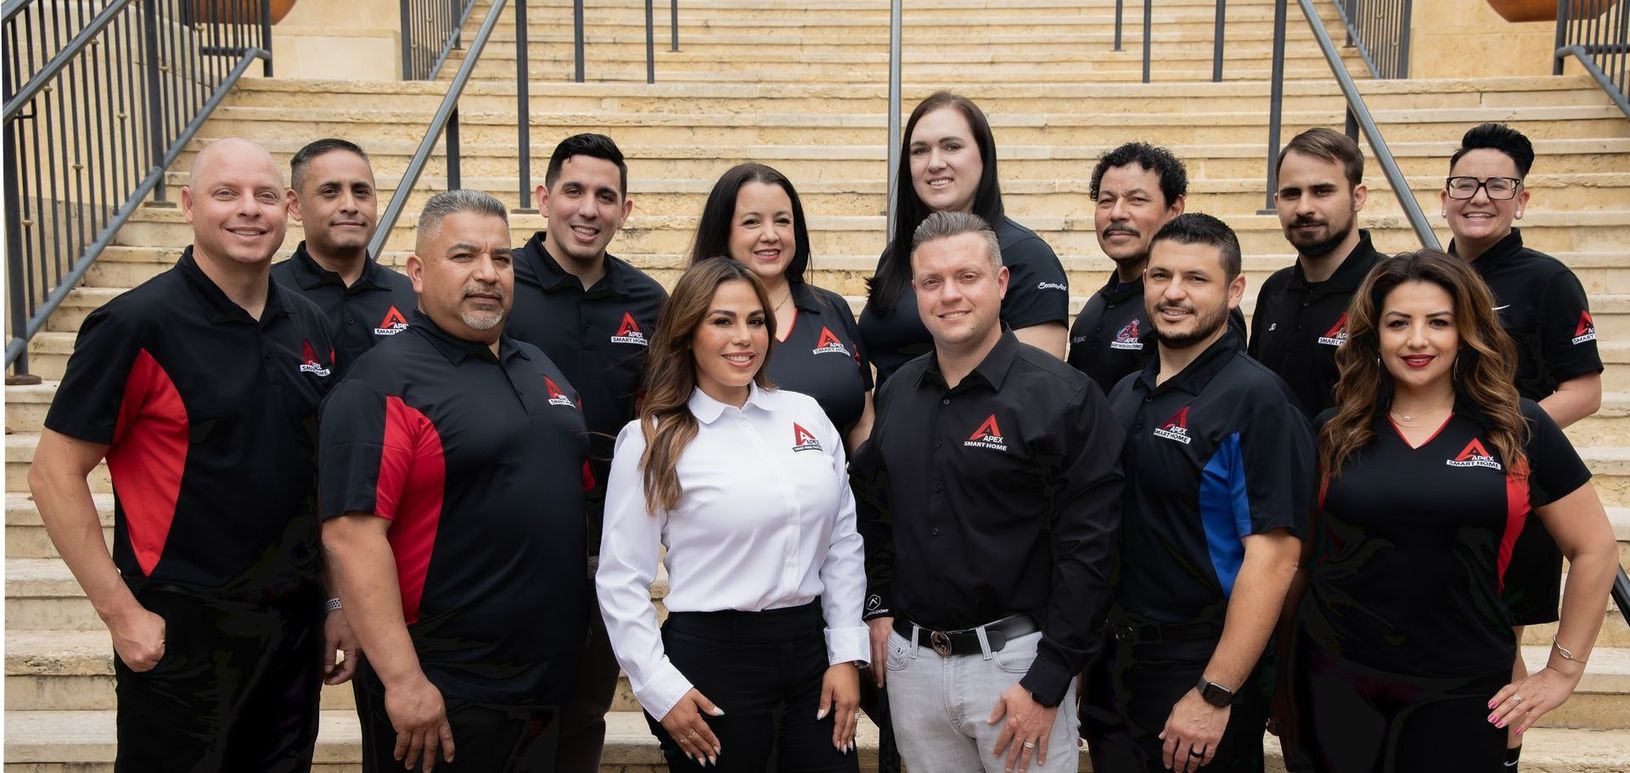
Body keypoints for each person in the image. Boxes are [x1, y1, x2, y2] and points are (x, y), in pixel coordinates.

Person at [28, 137, 344, 771]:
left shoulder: (310, 323)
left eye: (263, 195)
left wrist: (336, 603)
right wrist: (122, 616)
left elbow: (320, 481)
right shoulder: (135, 323)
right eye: (226, 194)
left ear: (289, 208)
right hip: (179, 631)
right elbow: (52, 474)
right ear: (188, 205)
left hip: (291, 629)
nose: (247, 210)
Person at [1291, 250, 1617, 772]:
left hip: (1464, 690)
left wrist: (1562, 671)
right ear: (1374, 335)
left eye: (1438, 323)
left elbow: (1594, 548)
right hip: (1334, 679)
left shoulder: (1520, 428)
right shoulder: (1333, 429)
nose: (1417, 340)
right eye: (1399, 323)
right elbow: (1299, 560)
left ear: (1467, 331)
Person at [320, 190, 591, 772]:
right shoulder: (382, 382)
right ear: (416, 272)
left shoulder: (539, 366)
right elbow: (351, 536)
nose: (487, 274)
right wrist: (403, 680)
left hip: (542, 687)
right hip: (444, 690)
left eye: (502, 258)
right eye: (464, 256)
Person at [853, 211, 1123, 773]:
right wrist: (877, 605)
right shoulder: (900, 392)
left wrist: (1049, 679)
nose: (949, 295)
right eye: (932, 282)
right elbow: (873, 512)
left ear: (1001, 284)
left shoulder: (1063, 399)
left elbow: (1090, 551)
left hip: (1016, 667)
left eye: (967, 277)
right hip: (914, 667)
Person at [597, 257, 869, 772]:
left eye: (756, 320)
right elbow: (621, 579)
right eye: (722, 321)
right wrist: (659, 688)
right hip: (712, 661)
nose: (743, 337)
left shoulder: (805, 414)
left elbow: (842, 541)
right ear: (688, 332)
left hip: (810, 654)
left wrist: (844, 653)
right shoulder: (652, 437)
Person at [1099, 213, 1312, 773]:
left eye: (1196, 279)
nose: (1174, 293)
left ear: (1234, 291)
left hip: (1198, 664)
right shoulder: (1126, 391)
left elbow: (1275, 556)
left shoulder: (1258, 400)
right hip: (1118, 660)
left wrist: (1214, 693)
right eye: (1160, 275)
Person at [503, 133, 668, 772]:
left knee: (583, 709)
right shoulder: (503, 285)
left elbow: (659, 411)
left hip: (606, 544)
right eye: (573, 191)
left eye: (606, 196)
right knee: (512, 713)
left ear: (626, 210)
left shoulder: (648, 301)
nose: (588, 209)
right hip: (512, 538)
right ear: (544, 198)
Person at [1442, 122, 1605, 769]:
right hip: (1428, 483)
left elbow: (1585, 389)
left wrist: (1501, 437)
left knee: (1493, 637)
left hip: (1509, 489)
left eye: (1496, 185)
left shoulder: (1547, 279)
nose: (1479, 196)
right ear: (1445, 192)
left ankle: (1500, 756)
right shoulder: (1429, 274)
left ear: (1522, 198)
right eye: (1465, 183)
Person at [860, 91, 1070, 384]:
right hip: (896, 423)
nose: (934, 163)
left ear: (984, 156)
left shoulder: (1027, 256)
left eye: (952, 147)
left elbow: (1035, 388)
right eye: (919, 150)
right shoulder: (899, 253)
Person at [689, 162, 874, 447]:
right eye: (752, 221)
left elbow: (864, 423)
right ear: (723, 230)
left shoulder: (832, 308)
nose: (771, 235)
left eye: (782, 221)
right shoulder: (695, 314)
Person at [1067, 142, 1246, 393]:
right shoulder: (1094, 307)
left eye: (1137, 200)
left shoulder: (1196, 307)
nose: (1117, 213)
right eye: (1106, 200)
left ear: (1175, 210)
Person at [1251, 128, 1387, 418]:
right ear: (1276, 202)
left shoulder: (1392, 288)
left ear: (1358, 196)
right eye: (1291, 194)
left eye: (1322, 191)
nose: (1304, 208)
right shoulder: (1274, 289)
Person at [271, 138, 418, 375]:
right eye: (330, 192)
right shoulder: (265, 295)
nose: (350, 205)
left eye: (361, 192)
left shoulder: (412, 297)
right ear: (295, 205)